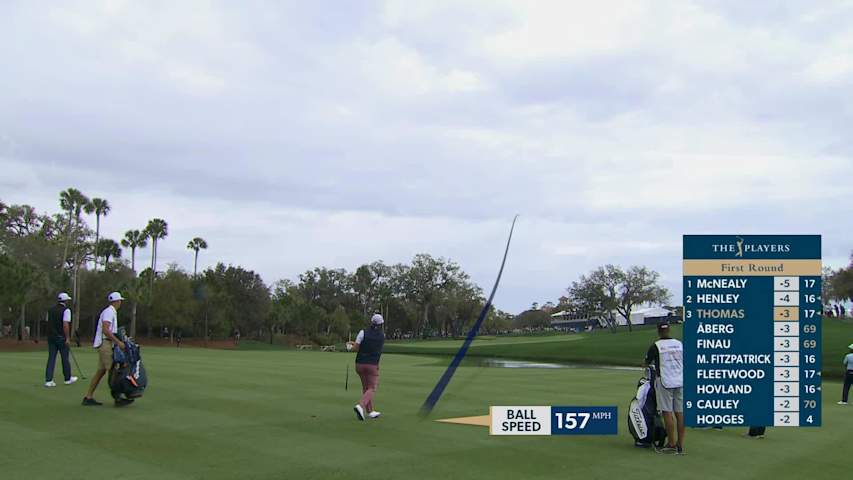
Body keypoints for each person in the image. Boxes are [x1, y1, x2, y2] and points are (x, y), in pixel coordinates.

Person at [644, 322, 685, 454]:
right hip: (680, 380)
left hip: (665, 381)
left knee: (667, 412)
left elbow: (646, 362)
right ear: (669, 330)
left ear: (658, 331)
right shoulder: (679, 344)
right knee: (680, 412)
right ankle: (680, 444)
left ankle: (672, 444)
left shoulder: (656, 346)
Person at [82, 292, 128, 407]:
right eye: (120, 301)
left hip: (106, 343)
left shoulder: (110, 311)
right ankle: (118, 398)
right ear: (117, 301)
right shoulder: (109, 312)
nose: (121, 303)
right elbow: (106, 330)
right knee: (113, 371)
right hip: (105, 344)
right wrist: (118, 342)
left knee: (101, 371)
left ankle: (88, 397)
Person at [348, 313, 385, 421]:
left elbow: (356, 348)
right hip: (372, 365)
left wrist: (351, 345)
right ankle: (361, 406)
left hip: (359, 364)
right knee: (372, 388)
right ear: (381, 324)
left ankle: (370, 411)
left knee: (366, 388)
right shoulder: (382, 336)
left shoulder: (362, 332)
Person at [44, 292, 78, 387]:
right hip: (61, 338)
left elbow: (48, 322)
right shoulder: (66, 310)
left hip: (51, 338)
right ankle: (67, 379)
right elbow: (65, 324)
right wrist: (67, 338)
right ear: (66, 301)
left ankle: (48, 380)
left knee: (51, 358)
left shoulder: (50, 310)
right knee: (65, 358)